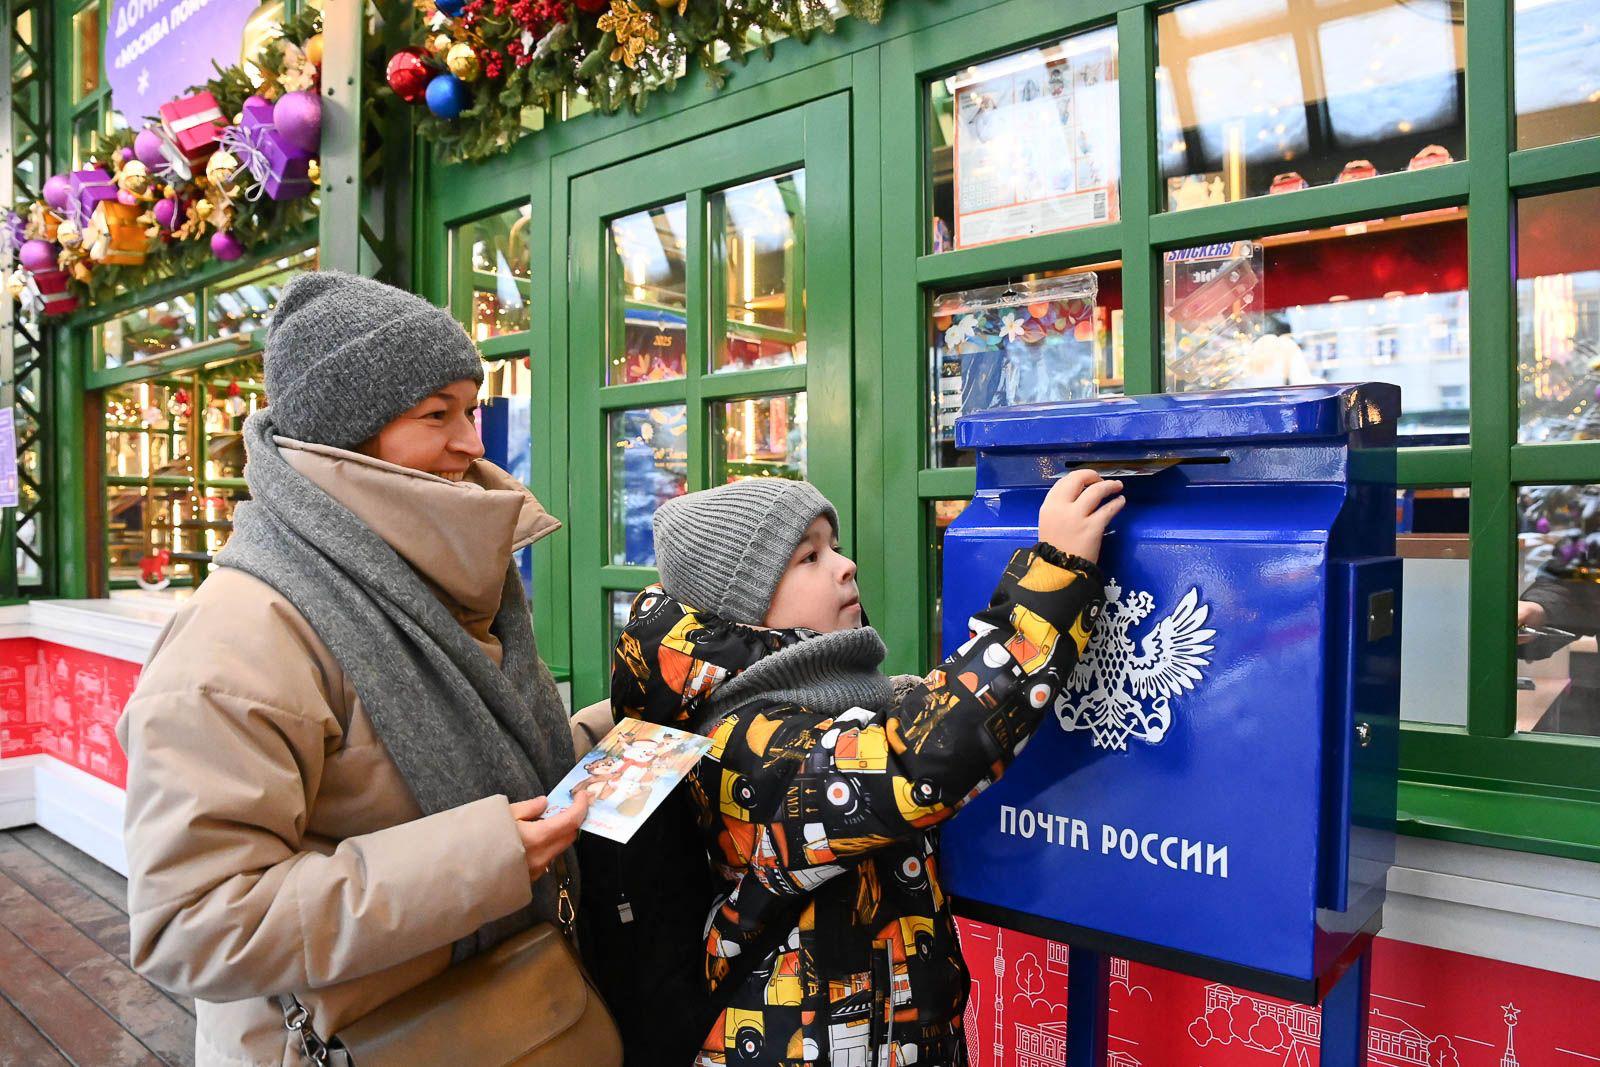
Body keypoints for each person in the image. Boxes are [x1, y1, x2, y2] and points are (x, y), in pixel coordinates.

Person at [116, 271, 589, 1065]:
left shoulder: (454, 576)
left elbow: (485, 762)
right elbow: (191, 920)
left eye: (471, 408)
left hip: (508, 1018)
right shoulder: (241, 635)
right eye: (436, 415)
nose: (474, 442)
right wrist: (479, 860)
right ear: (344, 434)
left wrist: (611, 733)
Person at [609, 472, 1121, 1066]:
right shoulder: (744, 742)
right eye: (809, 556)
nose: (845, 564)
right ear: (742, 607)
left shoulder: (832, 705)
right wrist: (1050, 581)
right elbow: (915, 761)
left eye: (835, 544)